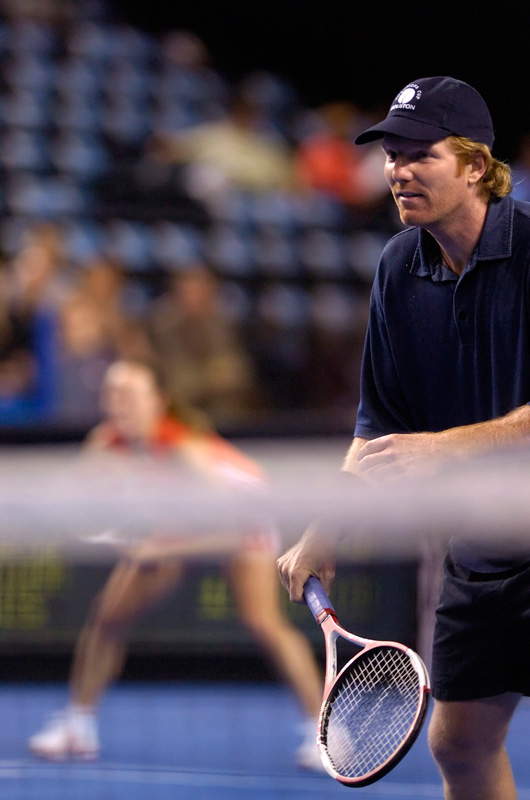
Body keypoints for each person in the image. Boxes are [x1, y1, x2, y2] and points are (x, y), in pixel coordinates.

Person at [277, 76, 530, 800]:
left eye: (421, 153)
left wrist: (446, 447)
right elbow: (378, 427)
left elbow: (422, 447)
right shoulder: (397, 269)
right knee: (461, 745)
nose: (398, 169)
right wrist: (326, 529)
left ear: (477, 166)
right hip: (479, 554)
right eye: (392, 153)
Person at [28, 359, 324, 771]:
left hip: (242, 518)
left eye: (129, 394)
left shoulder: (187, 450)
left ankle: (324, 733)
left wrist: (161, 551)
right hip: (179, 523)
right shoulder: (104, 443)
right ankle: (78, 725)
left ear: (158, 402)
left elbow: (237, 530)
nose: (118, 403)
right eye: (112, 393)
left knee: (262, 622)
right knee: (107, 617)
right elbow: (78, 506)